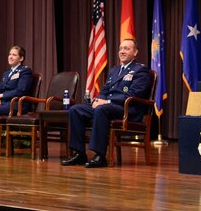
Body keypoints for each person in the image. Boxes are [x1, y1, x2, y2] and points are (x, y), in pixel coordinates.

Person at [61, 39, 151, 168]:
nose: (122, 51)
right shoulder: (114, 70)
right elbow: (104, 90)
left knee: (101, 110)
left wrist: (107, 101)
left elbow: (133, 95)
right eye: (121, 49)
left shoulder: (140, 70)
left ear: (135, 52)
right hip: (109, 107)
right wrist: (98, 100)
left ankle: (100, 156)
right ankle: (79, 153)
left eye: (126, 48)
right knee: (76, 110)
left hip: (126, 109)